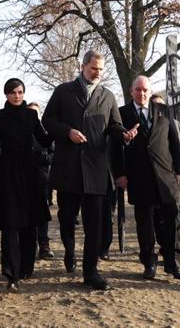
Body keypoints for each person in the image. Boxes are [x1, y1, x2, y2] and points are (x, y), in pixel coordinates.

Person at [43, 51, 136, 291]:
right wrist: (67, 132)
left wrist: (124, 135)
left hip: (96, 169)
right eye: (94, 68)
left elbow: (115, 126)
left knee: (95, 224)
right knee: (67, 218)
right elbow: (48, 120)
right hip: (69, 168)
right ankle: (69, 250)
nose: (98, 73)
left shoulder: (108, 96)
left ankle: (91, 271)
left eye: (101, 69)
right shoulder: (63, 91)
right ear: (82, 66)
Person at [114, 76, 180, 281]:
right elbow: (115, 147)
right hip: (139, 176)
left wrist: (179, 171)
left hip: (165, 175)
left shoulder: (164, 110)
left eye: (145, 90)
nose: (142, 93)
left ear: (150, 91)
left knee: (172, 219)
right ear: (131, 91)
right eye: (138, 90)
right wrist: (119, 173)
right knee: (144, 223)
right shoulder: (121, 113)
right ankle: (149, 263)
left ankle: (173, 263)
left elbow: (174, 142)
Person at [0, 80, 52, 291]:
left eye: (20, 92)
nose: (17, 96)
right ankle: (11, 273)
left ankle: (25, 267)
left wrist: (58, 127)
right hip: (7, 174)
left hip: (30, 174)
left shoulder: (31, 116)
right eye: (13, 92)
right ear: (6, 94)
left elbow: (45, 139)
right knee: (10, 225)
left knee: (29, 224)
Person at [150, 94, 180, 266]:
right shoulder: (147, 124)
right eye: (154, 106)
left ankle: (174, 257)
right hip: (153, 180)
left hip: (173, 178)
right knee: (157, 220)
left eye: (161, 106)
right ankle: (164, 247)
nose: (158, 109)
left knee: (174, 217)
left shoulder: (174, 123)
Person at [27, 102, 55, 261]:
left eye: (35, 113)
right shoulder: (21, 131)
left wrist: (43, 157)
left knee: (42, 213)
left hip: (42, 178)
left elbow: (53, 154)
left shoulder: (45, 132)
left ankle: (44, 245)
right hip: (23, 178)